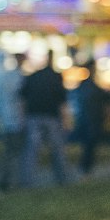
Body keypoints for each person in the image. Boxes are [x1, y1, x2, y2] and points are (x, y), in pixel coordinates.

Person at [20, 50, 70, 186]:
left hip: (34, 116)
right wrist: (66, 121)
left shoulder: (33, 76)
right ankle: (62, 178)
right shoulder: (56, 77)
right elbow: (62, 101)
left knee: (32, 150)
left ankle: (27, 180)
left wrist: (22, 119)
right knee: (57, 149)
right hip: (51, 116)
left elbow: (23, 99)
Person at [0, 50, 27, 191]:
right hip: (15, 120)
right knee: (15, 152)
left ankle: (4, 180)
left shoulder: (4, 76)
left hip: (6, 119)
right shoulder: (19, 78)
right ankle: (10, 181)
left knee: (8, 151)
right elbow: (20, 100)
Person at [72, 61, 109, 175]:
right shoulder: (91, 86)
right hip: (91, 119)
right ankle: (86, 167)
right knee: (89, 144)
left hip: (86, 118)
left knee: (88, 145)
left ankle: (85, 167)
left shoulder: (83, 85)